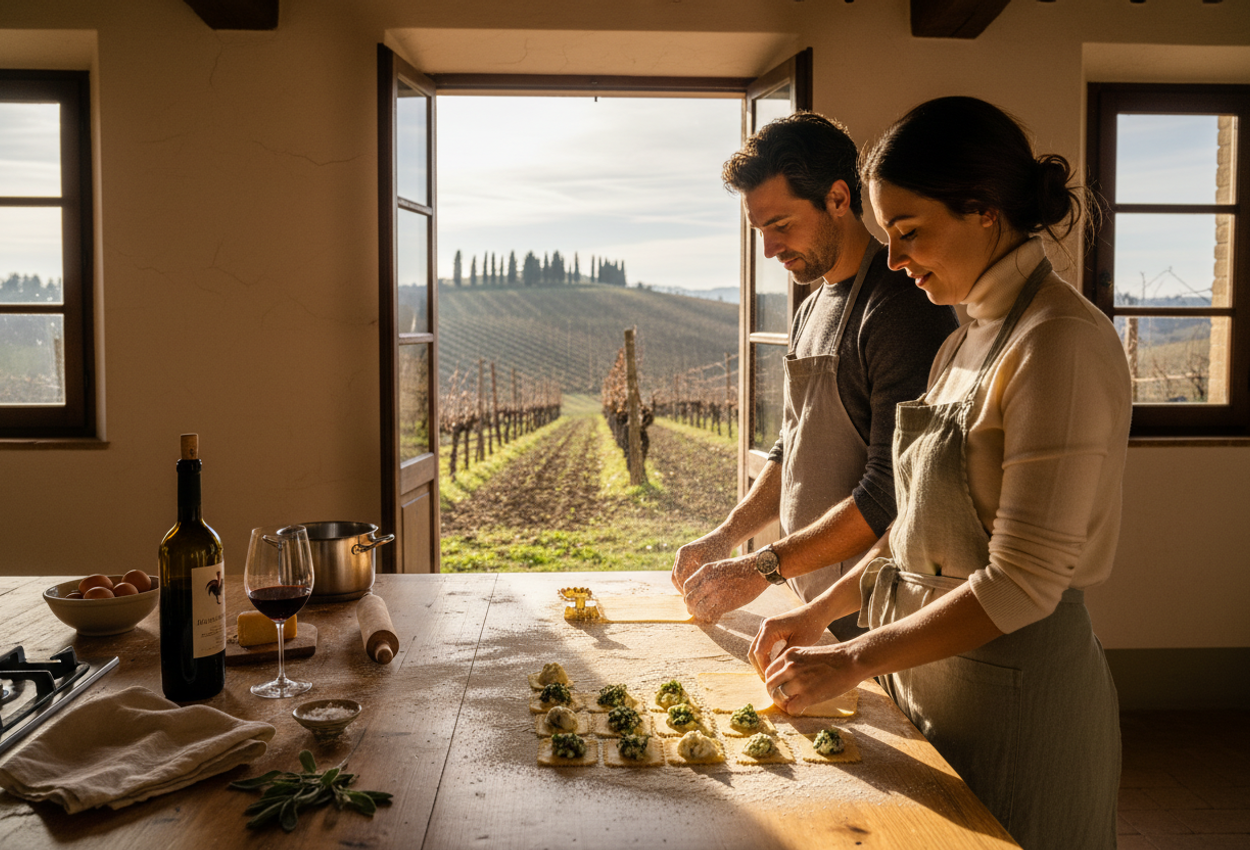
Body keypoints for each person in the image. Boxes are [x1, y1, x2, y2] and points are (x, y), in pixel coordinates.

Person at [750, 96, 1130, 849]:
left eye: (910, 232)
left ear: (984, 211)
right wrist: (815, 611)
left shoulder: (1059, 344)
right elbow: (913, 528)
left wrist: (852, 656)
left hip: (1014, 700)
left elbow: (1021, 583)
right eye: (888, 235)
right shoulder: (963, 344)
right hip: (928, 681)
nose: (895, 261)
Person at [672, 113, 957, 635]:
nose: (769, 249)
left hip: (870, 611)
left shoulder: (899, 310)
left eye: (780, 226)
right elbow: (793, 448)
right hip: (809, 600)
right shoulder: (811, 308)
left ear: (838, 199)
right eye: (760, 231)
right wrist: (726, 536)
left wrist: (762, 567)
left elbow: (889, 491)